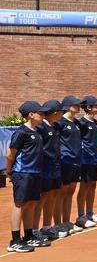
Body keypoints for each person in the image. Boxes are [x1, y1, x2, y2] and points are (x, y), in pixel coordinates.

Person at [6, 101, 45, 252]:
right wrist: (9, 172)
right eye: (39, 113)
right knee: (19, 204)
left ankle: (28, 236)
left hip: (35, 173)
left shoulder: (36, 131)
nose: (42, 115)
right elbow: (11, 155)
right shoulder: (22, 132)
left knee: (31, 204)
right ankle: (15, 240)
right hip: (22, 173)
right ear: (30, 114)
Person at [76, 96, 97, 227]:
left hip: (94, 160)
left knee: (92, 185)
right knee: (84, 186)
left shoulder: (96, 123)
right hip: (85, 160)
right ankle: (81, 216)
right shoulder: (81, 123)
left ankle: (90, 213)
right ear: (88, 107)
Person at [55, 95, 84, 234]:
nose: (79, 107)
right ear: (67, 106)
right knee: (61, 192)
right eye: (76, 104)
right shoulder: (60, 122)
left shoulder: (77, 123)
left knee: (70, 192)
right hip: (64, 161)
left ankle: (66, 222)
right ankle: (58, 224)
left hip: (76, 161)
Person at [37, 100, 63, 241]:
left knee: (52, 195)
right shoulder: (41, 127)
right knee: (42, 198)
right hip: (44, 169)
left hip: (55, 168)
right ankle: (35, 230)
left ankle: (47, 226)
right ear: (55, 113)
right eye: (61, 111)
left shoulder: (54, 126)